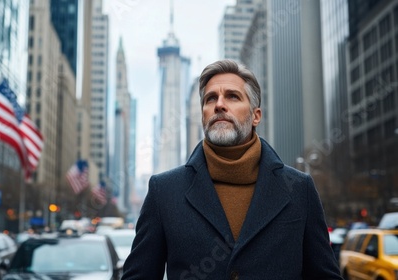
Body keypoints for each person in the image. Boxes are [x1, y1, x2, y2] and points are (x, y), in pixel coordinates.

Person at [121, 60, 342, 279]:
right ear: (203, 115)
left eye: (232, 96)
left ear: (256, 116)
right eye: (210, 99)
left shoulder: (299, 189)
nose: (219, 104)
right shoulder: (164, 192)